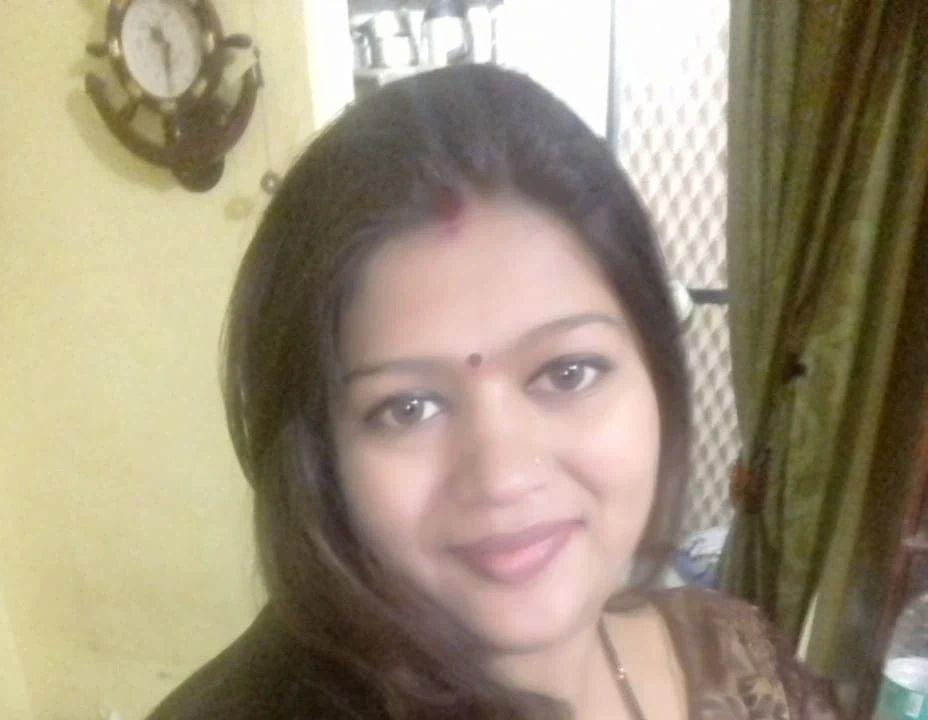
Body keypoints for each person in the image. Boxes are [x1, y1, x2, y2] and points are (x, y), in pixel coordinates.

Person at [147, 64, 841, 720]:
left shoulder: (733, 657)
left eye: (568, 373)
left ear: (655, 371)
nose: (503, 477)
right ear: (320, 461)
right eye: (408, 408)